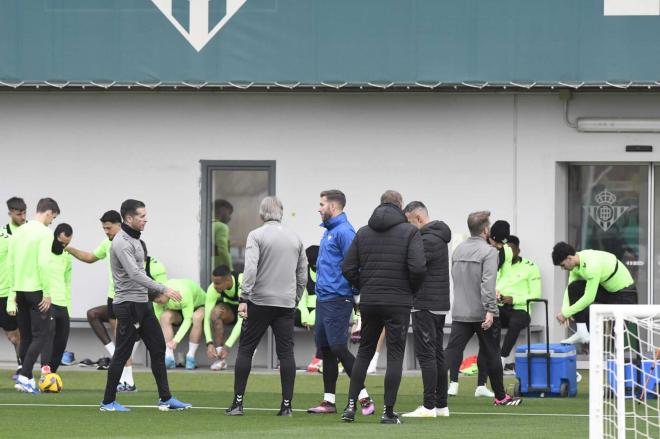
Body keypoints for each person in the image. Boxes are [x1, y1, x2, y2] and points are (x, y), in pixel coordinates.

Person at [341, 190, 426, 425]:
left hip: (370, 300)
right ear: (400, 207)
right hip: (398, 301)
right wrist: (411, 290)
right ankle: (388, 412)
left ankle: (350, 408)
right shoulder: (410, 232)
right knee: (396, 354)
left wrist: (364, 284)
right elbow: (418, 268)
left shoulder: (363, 232)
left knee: (364, 352)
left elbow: (347, 267)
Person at [100, 199, 190, 412]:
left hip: (141, 305)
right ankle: (107, 402)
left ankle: (165, 398)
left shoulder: (136, 241)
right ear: (129, 218)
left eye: (145, 215)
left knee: (158, 348)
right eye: (142, 216)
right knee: (123, 353)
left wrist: (152, 295)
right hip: (127, 306)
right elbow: (134, 274)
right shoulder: (121, 242)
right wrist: (163, 289)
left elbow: (141, 275)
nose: (146, 219)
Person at [67, 210, 168, 391]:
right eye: (104, 228)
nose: (106, 231)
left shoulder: (129, 243)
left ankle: (129, 382)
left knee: (129, 345)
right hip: (117, 299)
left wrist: (158, 290)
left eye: (108, 227)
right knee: (121, 344)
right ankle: (124, 382)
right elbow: (90, 257)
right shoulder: (108, 243)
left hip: (133, 300)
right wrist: (68, 248)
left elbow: (138, 272)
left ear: (120, 224)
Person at [226, 196, 307, 417]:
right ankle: (287, 406)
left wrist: (244, 297)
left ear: (262, 214)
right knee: (286, 354)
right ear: (281, 212)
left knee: (246, 349)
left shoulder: (256, 235)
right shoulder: (295, 238)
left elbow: (250, 269)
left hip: (260, 301)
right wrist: (295, 298)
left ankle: (238, 403)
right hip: (285, 303)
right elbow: (303, 274)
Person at [443, 211, 521, 407]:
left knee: (451, 352)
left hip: (461, 310)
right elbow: (487, 284)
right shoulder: (489, 252)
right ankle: (500, 396)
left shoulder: (458, 250)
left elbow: (456, 280)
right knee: (492, 352)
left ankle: (435, 394)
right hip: (482, 313)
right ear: (486, 230)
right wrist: (490, 309)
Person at [308, 190, 374, 416]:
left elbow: (356, 266)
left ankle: (363, 396)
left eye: (321, 204)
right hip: (324, 299)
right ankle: (329, 401)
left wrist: (355, 298)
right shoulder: (329, 232)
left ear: (333, 207)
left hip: (339, 298)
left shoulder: (345, 232)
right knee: (326, 350)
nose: (318, 208)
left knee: (338, 347)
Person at [402, 201, 452, 418]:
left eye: (409, 222)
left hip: (425, 302)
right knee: (437, 354)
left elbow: (416, 266)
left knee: (427, 355)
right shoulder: (438, 236)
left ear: (419, 219)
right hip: (437, 303)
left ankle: (429, 406)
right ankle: (441, 405)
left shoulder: (427, 239)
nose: (408, 227)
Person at [8, 197, 60, 394]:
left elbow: (10, 265)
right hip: (36, 290)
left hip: (19, 290)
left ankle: (26, 378)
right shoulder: (45, 233)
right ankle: (24, 375)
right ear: (48, 213)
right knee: (43, 334)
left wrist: (12, 294)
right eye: (52, 218)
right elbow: (43, 264)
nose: (51, 222)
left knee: (27, 336)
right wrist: (47, 293)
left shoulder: (18, 232)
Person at [552, 242, 637, 344]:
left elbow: (589, 298)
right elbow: (569, 289)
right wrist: (565, 310)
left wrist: (566, 313)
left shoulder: (591, 265)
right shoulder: (576, 264)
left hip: (626, 293)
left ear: (569, 258)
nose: (563, 268)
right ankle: (582, 331)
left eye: (562, 265)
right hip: (609, 291)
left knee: (616, 339)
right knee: (574, 288)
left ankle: (632, 359)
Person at [40, 223, 73, 373]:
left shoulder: (67, 256)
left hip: (62, 305)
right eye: (61, 242)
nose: (64, 246)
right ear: (55, 237)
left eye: (67, 243)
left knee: (61, 343)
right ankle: (45, 374)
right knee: (48, 340)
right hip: (48, 303)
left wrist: (69, 307)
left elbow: (67, 282)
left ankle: (51, 375)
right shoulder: (44, 252)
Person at [153, 278, 206, 370]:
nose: (159, 303)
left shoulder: (182, 293)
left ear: (164, 293)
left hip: (199, 305)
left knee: (196, 317)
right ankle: (169, 357)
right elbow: (157, 322)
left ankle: (191, 356)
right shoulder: (156, 299)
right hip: (180, 309)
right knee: (164, 317)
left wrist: (176, 340)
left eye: (160, 301)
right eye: (156, 302)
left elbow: (187, 320)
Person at [0, 197, 26, 374]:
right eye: (18, 213)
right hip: (1, 291)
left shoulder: (30, 231)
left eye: (24, 212)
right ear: (10, 213)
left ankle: (22, 368)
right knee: (13, 335)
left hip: (19, 292)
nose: (22, 216)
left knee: (19, 334)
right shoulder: (1, 234)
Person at [203, 265, 238, 371]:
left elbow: (242, 320)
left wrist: (228, 346)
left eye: (217, 283)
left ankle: (247, 356)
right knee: (215, 313)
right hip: (230, 311)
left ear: (228, 280)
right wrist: (209, 343)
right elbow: (207, 318)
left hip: (248, 310)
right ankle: (220, 359)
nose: (214, 286)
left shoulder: (242, 281)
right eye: (213, 282)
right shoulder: (212, 289)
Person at [213, 199, 233, 272]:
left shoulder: (208, 225)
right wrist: (230, 268)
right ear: (223, 211)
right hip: (220, 269)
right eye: (229, 213)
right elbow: (223, 250)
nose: (230, 218)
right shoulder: (222, 227)